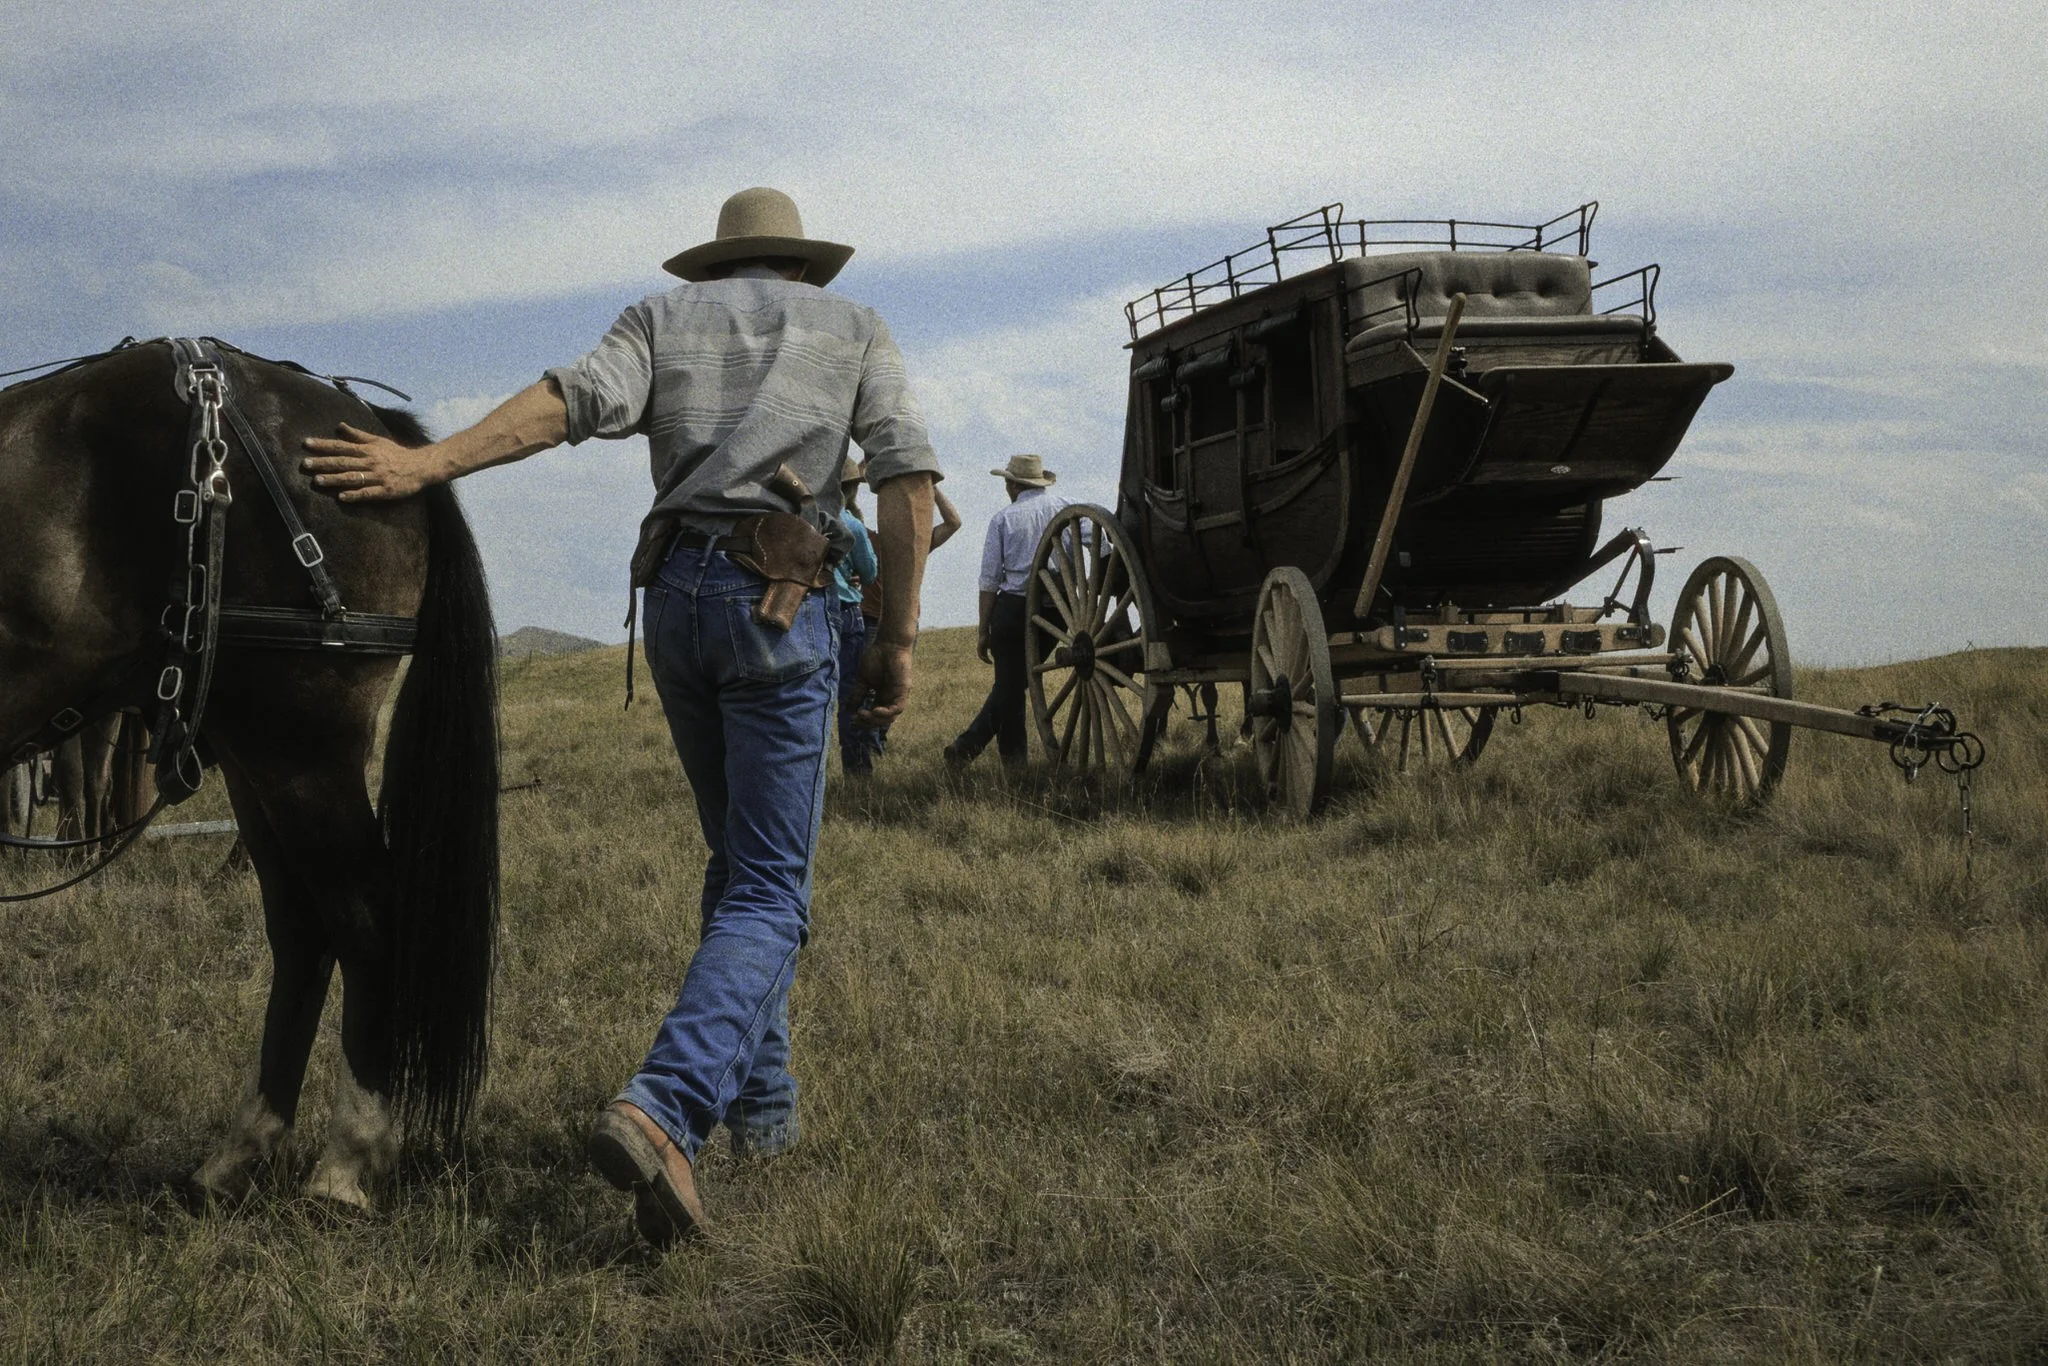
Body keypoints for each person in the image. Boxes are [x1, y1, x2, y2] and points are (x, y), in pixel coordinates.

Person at [299, 186, 942, 1248]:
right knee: (774, 890)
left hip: (678, 602)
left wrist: (426, 460)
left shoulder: (660, 320)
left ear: (717, 265)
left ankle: (765, 1115)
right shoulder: (855, 327)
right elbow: (908, 487)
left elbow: (565, 403)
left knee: (739, 862)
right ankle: (665, 1104)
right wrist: (901, 636)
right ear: (797, 267)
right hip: (782, 607)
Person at [944, 454, 1067, 769]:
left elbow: (989, 579)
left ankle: (983, 753)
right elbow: (1102, 544)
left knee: (1010, 686)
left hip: (1013, 608)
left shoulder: (1003, 519)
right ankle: (998, 760)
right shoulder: (1065, 508)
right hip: (1055, 610)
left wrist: (983, 629)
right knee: (1013, 686)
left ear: (1013, 485)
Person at [841, 462, 962, 775]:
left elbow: (954, 523)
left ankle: (875, 740)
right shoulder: (885, 542)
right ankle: (869, 746)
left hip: (881, 622)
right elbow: (953, 521)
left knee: (883, 688)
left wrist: (926, 483)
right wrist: (928, 485)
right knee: (876, 688)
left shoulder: (869, 538)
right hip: (876, 621)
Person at [832, 460, 884, 776]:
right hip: (847, 613)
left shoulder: (808, 519)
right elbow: (870, 572)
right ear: (851, 488)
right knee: (851, 694)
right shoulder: (852, 526)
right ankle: (856, 766)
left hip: (811, 613)